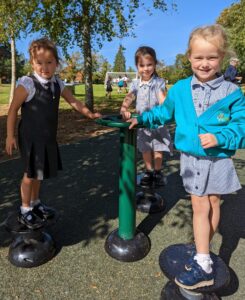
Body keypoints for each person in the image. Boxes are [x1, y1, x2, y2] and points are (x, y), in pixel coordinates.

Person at [128, 25, 245, 289]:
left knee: (213, 205)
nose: (205, 64)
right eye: (199, 57)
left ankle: (202, 258)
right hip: (192, 161)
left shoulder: (231, 92)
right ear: (189, 57)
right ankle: (204, 255)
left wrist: (220, 137)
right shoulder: (180, 90)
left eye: (212, 57)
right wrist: (141, 118)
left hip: (217, 160)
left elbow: (242, 127)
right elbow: (163, 113)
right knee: (201, 207)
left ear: (222, 58)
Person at [5, 38, 101, 230]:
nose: (44, 67)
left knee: (39, 173)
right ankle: (25, 210)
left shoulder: (57, 83)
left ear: (57, 63)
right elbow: (13, 109)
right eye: (39, 63)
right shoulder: (27, 84)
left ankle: (35, 203)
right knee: (29, 174)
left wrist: (89, 113)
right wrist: (10, 136)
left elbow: (73, 101)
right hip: (30, 138)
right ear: (32, 63)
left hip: (47, 137)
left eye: (49, 62)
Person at [120, 46, 173, 187]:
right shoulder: (136, 84)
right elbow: (129, 97)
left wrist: (165, 106)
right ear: (137, 66)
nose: (146, 68)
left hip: (156, 122)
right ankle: (149, 171)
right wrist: (124, 108)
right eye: (142, 65)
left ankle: (157, 171)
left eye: (149, 65)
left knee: (158, 147)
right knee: (145, 148)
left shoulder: (158, 82)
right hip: (142, 123)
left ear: (155, 64)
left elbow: (162, 98)